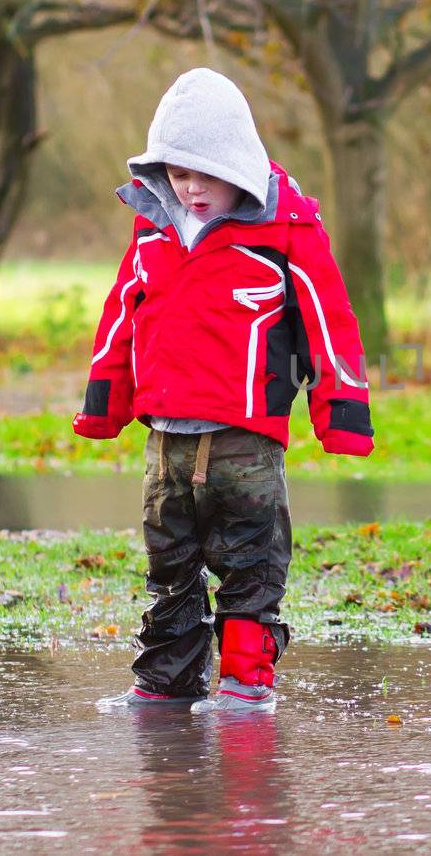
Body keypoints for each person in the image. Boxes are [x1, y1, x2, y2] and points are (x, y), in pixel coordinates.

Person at [73, 67, 374, 714]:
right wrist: (104, 401)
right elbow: (121, 315)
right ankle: (167, 682)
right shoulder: (153, 232)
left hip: (246, 442)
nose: (190, 189)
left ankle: (246, 683)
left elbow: (330, 323)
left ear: (237, 165)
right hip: (166, 442)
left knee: (250, 561)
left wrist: (342, 413)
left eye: (204, 175)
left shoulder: (287, 235)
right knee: (170, 562)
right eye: (178, 174)